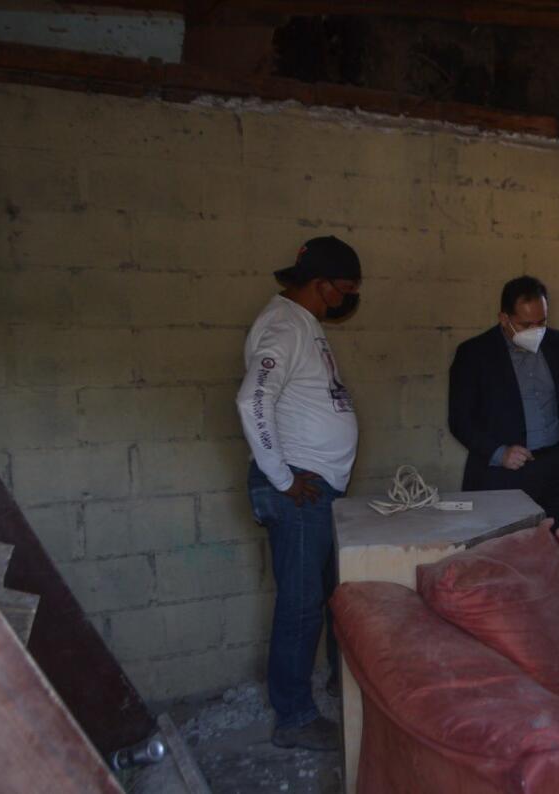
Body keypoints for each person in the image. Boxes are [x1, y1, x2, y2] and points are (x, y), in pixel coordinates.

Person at [236, 235, 361, 752]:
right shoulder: (285, 325)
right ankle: (293, 718)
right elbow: (252, 400)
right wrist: (284, 480)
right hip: (299, 492)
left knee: (324, 599)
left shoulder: (303, 324)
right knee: (302, 606)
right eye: (346, 289)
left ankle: (336, 682)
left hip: (315, 488)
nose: (349, 299)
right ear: (321, 285)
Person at [448, 275, 559, 530]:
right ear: (504, 319)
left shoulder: (558, 343)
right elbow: (460, 421)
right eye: (525, 324)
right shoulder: (474, 354)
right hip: (505, 474)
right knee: (508, 552)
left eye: (542, 322)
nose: (536, 331)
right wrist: (499, 453)